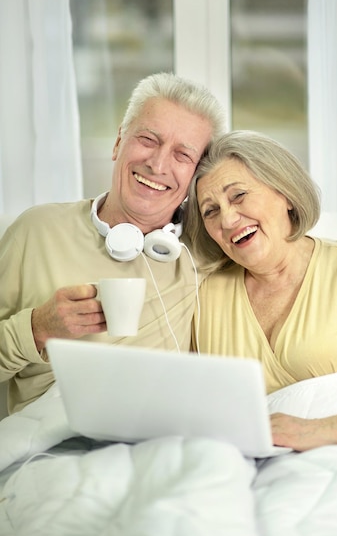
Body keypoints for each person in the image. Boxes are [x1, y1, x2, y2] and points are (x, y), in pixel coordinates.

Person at [0, 72, 226, 414]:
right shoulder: (36, 231)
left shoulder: (209, 247)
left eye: (182, 155)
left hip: (156, 439)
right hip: (50, 444)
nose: (158, 164)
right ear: (119, 142)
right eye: (148, 139)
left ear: (195, 176)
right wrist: (36, 329)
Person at [185, 129, 337, 452]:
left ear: (285, 194)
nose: (227, 218)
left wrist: (314, 432)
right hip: (255, 473)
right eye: (210, 211)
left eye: (238, 195)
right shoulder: (203, 299)